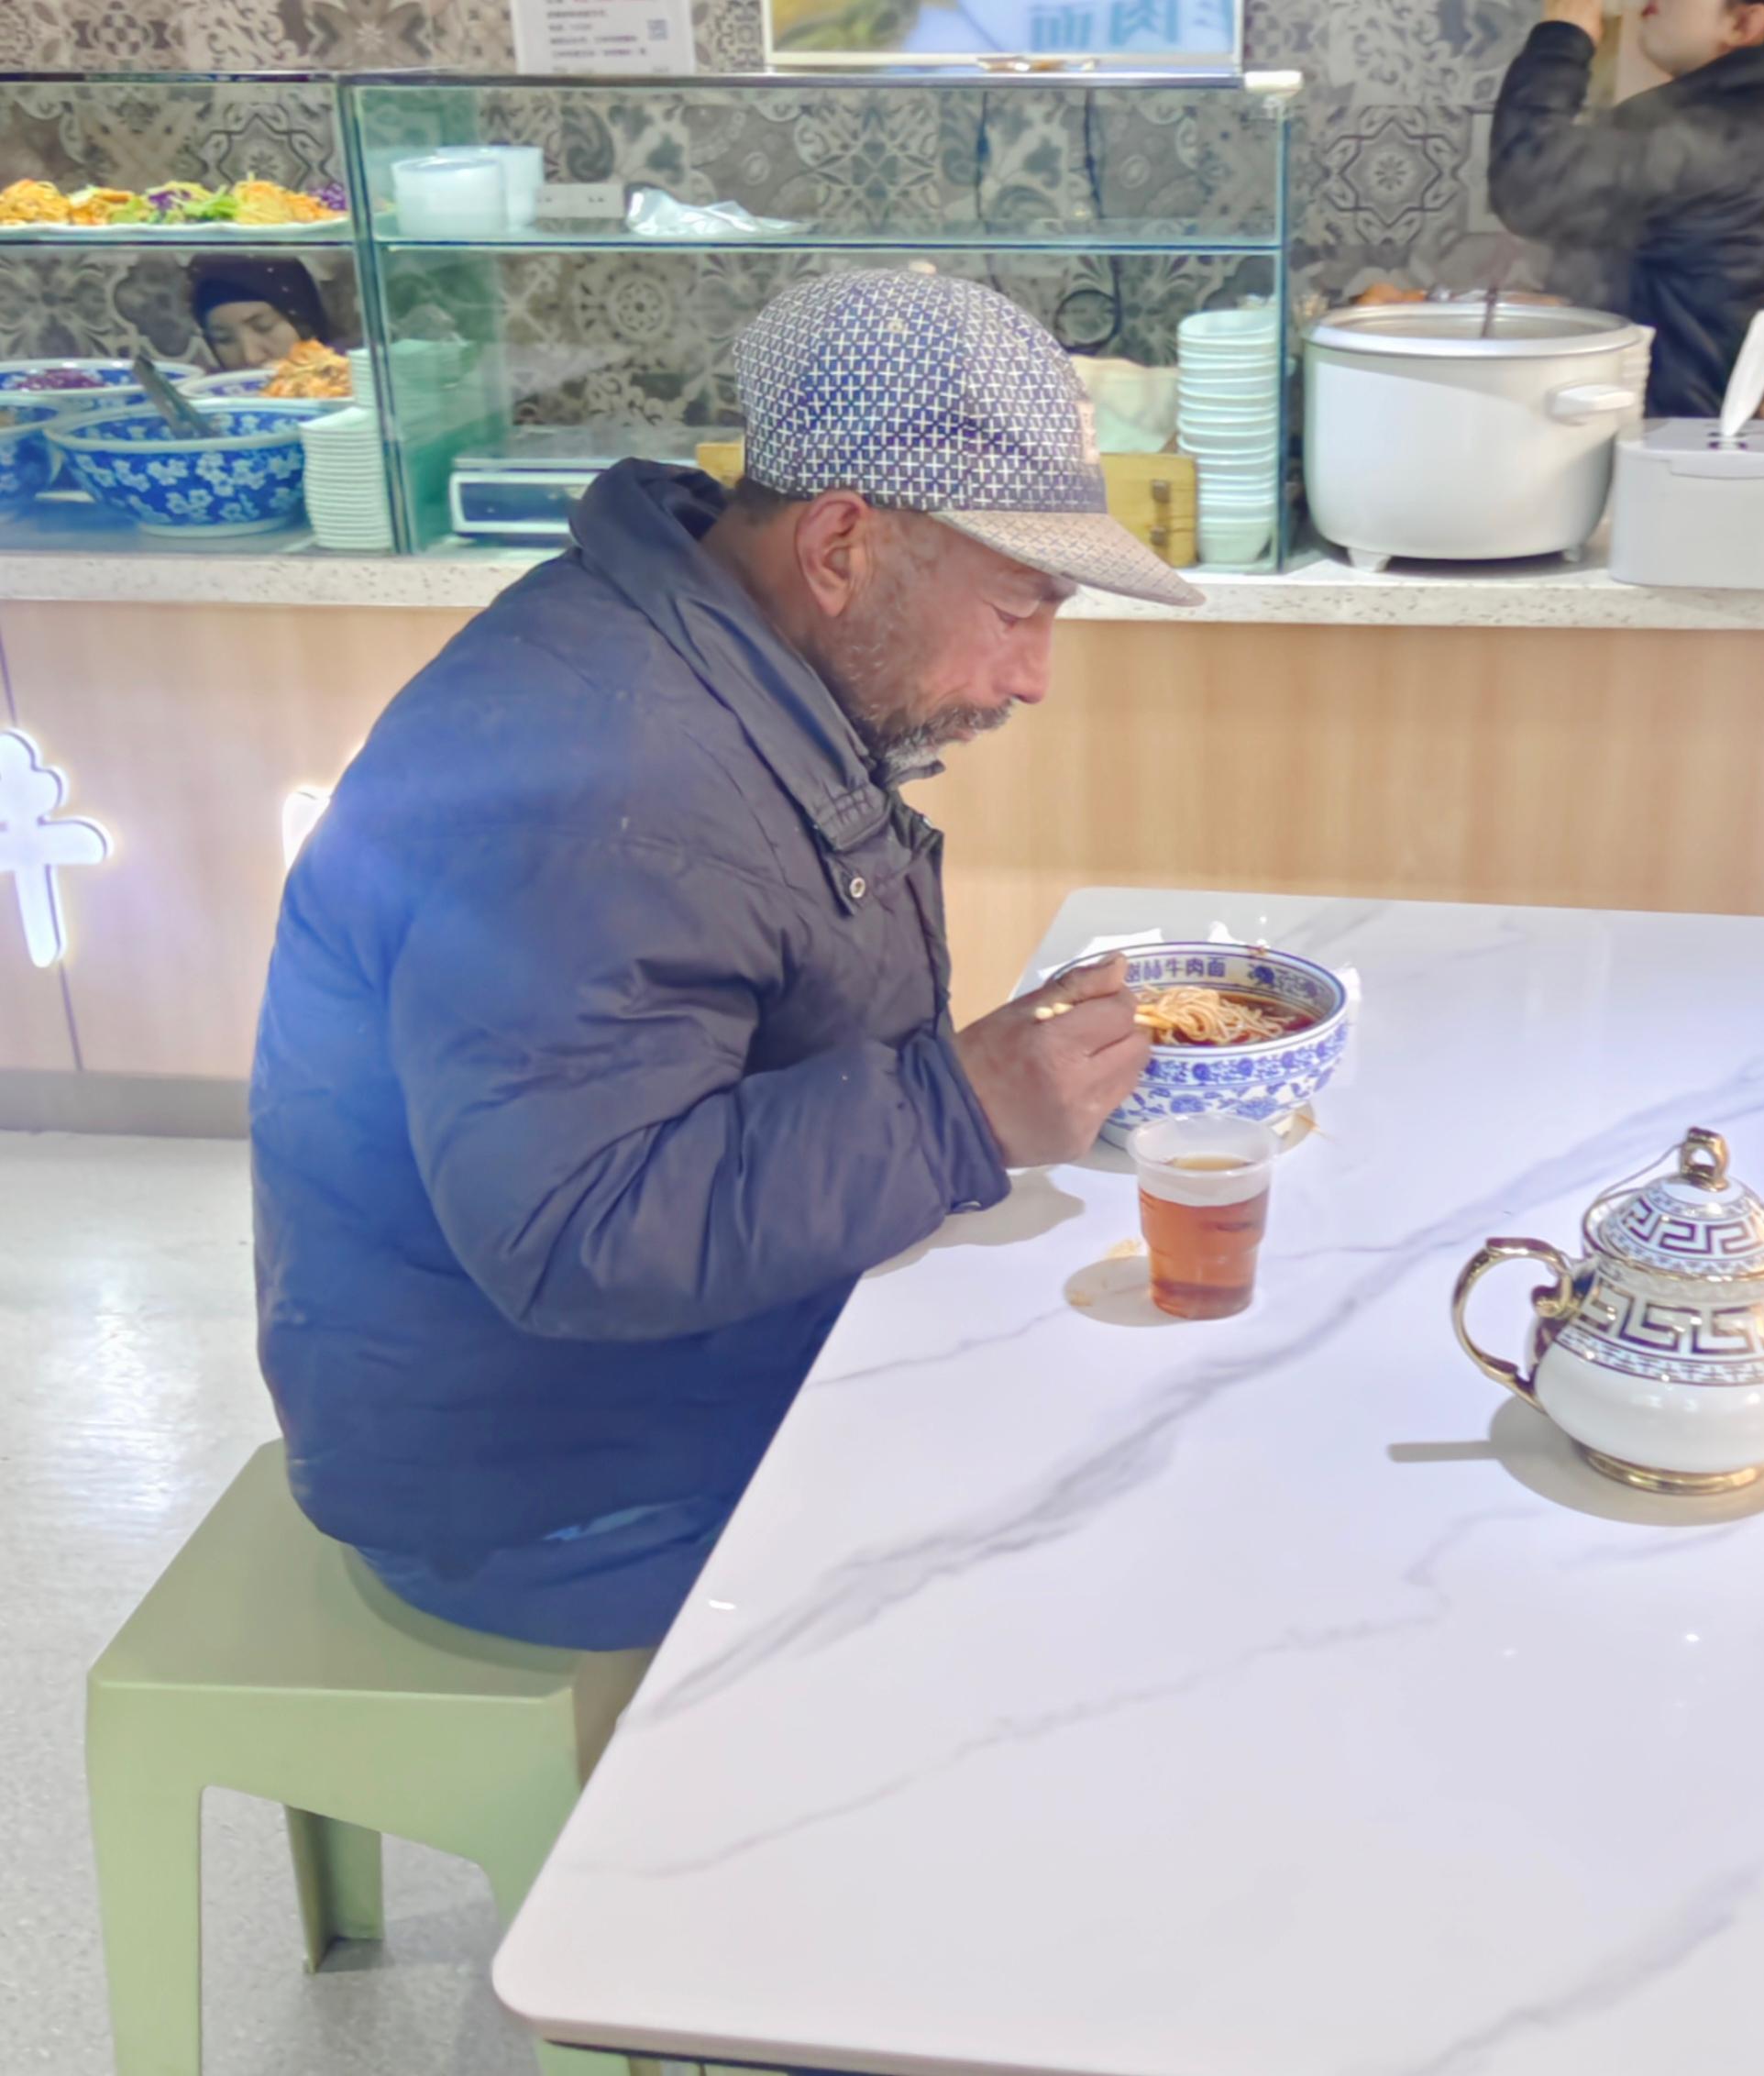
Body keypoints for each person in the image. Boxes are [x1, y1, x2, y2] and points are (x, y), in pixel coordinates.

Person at [251, 271, 1201, 1651]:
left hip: (623, 1394)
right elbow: (576, 1231)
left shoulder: (705, 646)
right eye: (1018, 607)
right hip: (547, 1493)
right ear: (839, 544)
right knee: (1108, 1558)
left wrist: (961, 1105)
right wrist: (965, 1110)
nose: (1032, 676)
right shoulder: (606, 774)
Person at [1490, 0, 1764, 418]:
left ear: (1743, 24)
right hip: (1658, 431)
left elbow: (1529, 183)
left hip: (1656, 440)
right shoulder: (1737, 123)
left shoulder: (1725, 134)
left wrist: (1564, 35)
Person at [189, 257, 337, 370]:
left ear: (305, 325)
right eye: (223, 339)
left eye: (263, 327)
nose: (251, 357)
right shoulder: (204, 396)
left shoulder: (347, 385)